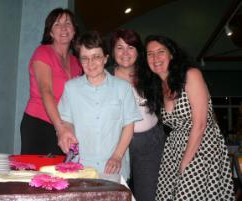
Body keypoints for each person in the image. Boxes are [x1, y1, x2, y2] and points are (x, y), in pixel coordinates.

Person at [144, 35, 234, 200]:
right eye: (150, 53)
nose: (155, 58)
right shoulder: (158, 86)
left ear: (171, 54)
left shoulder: (191, 75)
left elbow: (200, 124)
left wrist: (185, 162)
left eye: (160, 51)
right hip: (174, 149)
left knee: (186, 195)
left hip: (201, 146)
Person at [57, 31, 142, 179]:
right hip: (80, 168)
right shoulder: (71, 88)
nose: (90, 64)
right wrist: (66, 132)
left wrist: (117, 156)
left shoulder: (123, 88)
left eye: (96, 57)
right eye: (85, 58)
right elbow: (67, 121)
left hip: (114, 168)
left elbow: (128, 126)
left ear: (105, 59)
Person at [108, 29, 165, 201]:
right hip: (115, 144)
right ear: (112, 52)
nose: (125, 53)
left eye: (131, 47)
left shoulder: (150, 74)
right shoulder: (104, 77)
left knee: (148, 195)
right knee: (115, 193)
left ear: (138, 52)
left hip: (150, 143)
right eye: (120, 47)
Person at [20, 8, 82, 155]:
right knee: (35, 175)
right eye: (57, 24)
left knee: (61, 175)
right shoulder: (43, 52)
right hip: (39, 123)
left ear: (74, 31)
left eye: (68, 23)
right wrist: (60, 128)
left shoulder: (77, 62)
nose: (63, 28)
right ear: (51, 32)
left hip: (64, 126)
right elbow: (46, 91)